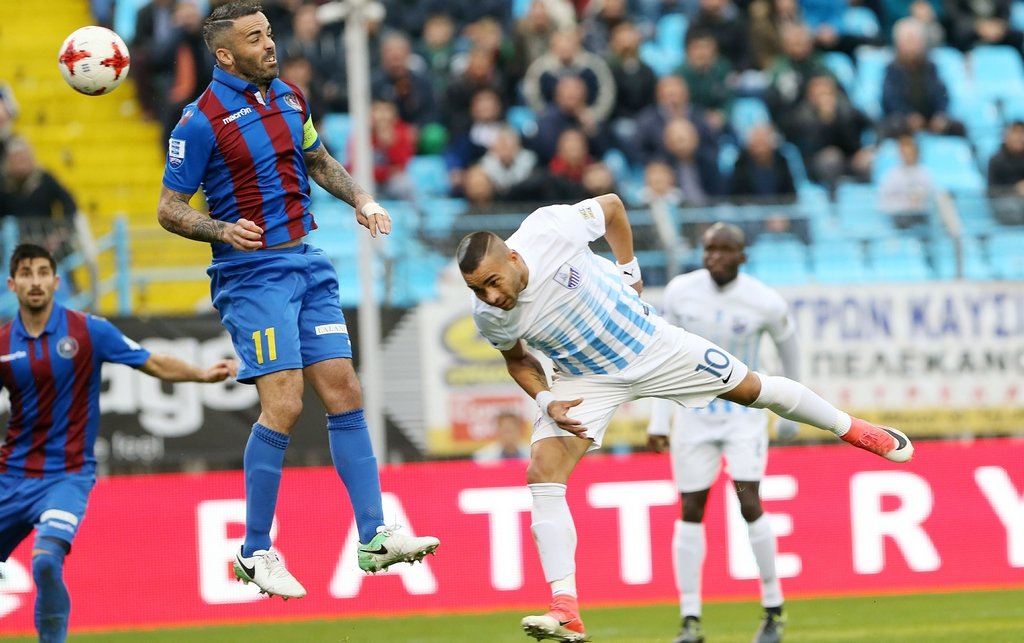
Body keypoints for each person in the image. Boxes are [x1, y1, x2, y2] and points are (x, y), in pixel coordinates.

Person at [455, 193, 913, 643]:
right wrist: (545, 400)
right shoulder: (489, 315)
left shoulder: (550, 227)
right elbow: (518, 361)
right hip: (584, 379)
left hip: (651, 345)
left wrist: (629, 272)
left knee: (753, 390)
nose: (490, 296)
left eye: (492, 282)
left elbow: (612, 206)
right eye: (477, 289)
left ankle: (855, 430)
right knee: (542, 474)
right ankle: (566, 608)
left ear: (513, 257)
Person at [155, 1, 439, 600]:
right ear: (225, 54)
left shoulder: (289, 97)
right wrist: (220, 229)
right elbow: (169, 209)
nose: (269, 44)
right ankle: (255, 551)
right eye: (254, 38)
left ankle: (374, 535)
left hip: (307, 262)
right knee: (283, 403)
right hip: (251, 275)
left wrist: (362, 199)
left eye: (269, 33)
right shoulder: (199, 122)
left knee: (345, 390)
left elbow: (316, 159)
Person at [0, 243, 238, 643]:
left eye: (42, 272)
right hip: (11, 476)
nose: (35, 281)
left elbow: (152, 361)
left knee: (45, 562)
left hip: (66, 477)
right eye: (26, 273)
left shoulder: (88, 331)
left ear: (56, 281)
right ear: (12, 284)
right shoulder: (4, 344)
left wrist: (200, 374)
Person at [646, 223, 800, 643]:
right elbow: (662, 358)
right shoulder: (681, 292)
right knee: (690, 509)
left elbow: (790, 350)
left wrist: (790, 411)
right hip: (692, 417)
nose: (714, 256)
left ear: (742, 256)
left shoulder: (764, 300)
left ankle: (773, 609)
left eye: (724, 249)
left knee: (749, 502)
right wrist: (658, 421)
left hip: (744, 417)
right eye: (709, 249)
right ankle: (690, 619)